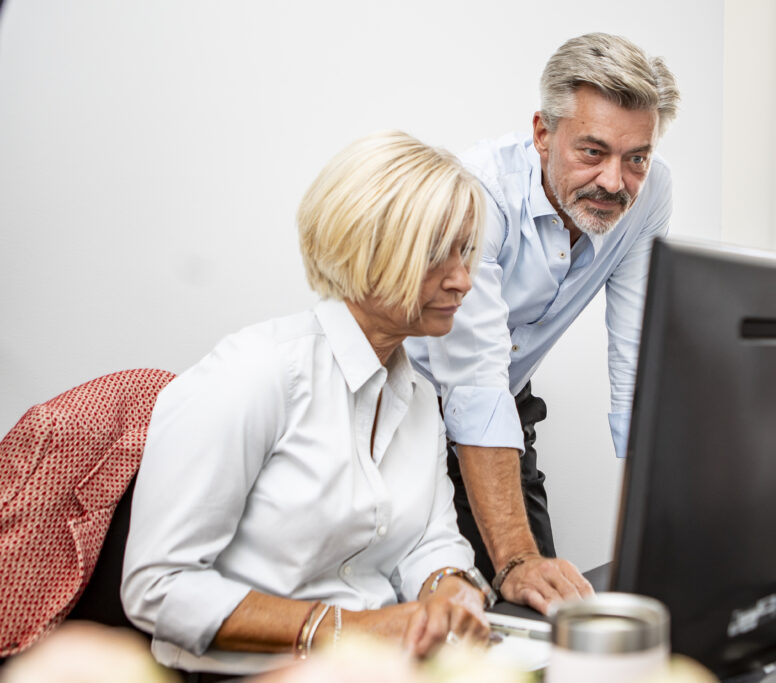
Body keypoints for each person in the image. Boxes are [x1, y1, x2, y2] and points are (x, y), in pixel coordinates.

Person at [121, 131, 495, 678]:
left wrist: (450, 590)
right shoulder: (253, 375)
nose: (463, 279)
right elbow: (157, 588)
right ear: (367, 249)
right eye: (438, 253)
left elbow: (429, 541)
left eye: (466, 252)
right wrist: (350, 630)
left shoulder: (417, 399)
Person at [405, 33, 680, 615]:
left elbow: (634, 360)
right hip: (406, 411)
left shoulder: (649, 194)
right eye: (592, 152)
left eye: (636, 158)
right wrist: (513, 559)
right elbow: (472, 383)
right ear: (542, 133)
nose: (613, 182)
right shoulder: (477, 192)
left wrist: (652, 544)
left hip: (506, 398)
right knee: (451, 609)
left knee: (547, 610)